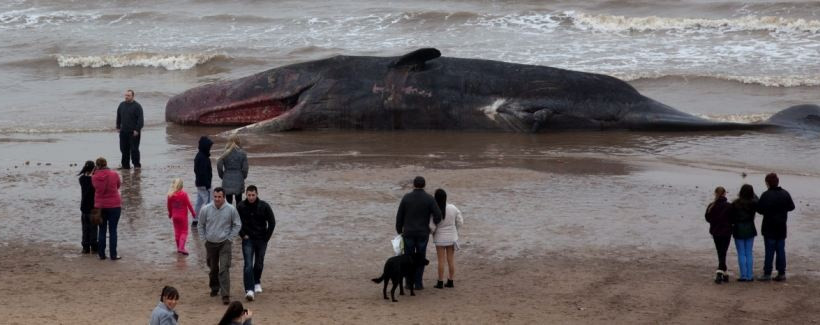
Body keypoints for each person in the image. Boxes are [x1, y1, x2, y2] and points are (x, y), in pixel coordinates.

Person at [395, 176, 442, 290]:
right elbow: (438, 215)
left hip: (409, 233)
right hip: (422, 233)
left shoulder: (406, 198)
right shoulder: (429, 198)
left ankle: (408, 282)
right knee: (421, 258)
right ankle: (418, 283)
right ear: (424, 185)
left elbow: (399, 216)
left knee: (408, 258)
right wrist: (432, 226)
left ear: (413, 185)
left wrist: (399, 230)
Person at [198, 187, 242, 304]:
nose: (217, 199)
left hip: (224, 243)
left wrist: (230, 238)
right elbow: (200, 225)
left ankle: (225, 294)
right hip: (210, 243)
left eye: (219, 197)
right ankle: (214, 287)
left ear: (224, 197)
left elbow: (237, 225)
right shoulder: (206, 209)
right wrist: (204, 240)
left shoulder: (231, 209)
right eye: (215, 196)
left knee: (224, 269)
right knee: (213, 269)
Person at [237, 185, 276, 301]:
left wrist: (266, 237)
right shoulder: (240, 206)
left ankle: (257, 281)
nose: (251, 197)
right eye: (249, 195)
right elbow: (235, 222)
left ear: (257, 194)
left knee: (259, 263)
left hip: (261, 239)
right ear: (246, 195)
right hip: (247, 239)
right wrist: (243, 235)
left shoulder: (264, 206)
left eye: (253, 195)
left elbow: (272, 222)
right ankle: (249, 290)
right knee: (248, 264)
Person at [757, 173, 795, 282]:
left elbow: (759, 210)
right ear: (777, 182)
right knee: (780, 250)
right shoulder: (785, 193)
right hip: (781, 226)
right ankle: (781, 273)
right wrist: (782, 209)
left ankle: (767, 273)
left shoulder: (766, 195)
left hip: (769, 227)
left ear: (767, 183)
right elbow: (791, 207)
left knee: (769, 250)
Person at [429, 188, 463, 289]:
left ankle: (440, 282)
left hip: (439, 238)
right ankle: (450, 280)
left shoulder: (434, 210)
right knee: (450, 260)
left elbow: (431, 226)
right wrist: (456, 230)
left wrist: (432, 233)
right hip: (452, 237)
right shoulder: (453, 208)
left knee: (441, 261)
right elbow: (460, 221)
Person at [92, 157, 122, 260]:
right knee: (113, 230)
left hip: (100, 206)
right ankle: (113, 255)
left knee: (102, 230)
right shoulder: (114, 174)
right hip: (114, 205)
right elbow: (118, 185)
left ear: (97, 165)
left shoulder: (94, 177)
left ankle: (101, 254)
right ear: (106, 164)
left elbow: (95, 188)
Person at [705, 186, 732, 284]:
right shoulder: (729, 206)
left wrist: (714, 222)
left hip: (716, 232)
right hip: (726, 232)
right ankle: (720, 273)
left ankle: (724, 273)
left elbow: (707, 218)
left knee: (720, 252)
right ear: (724, 194)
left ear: (715, 194)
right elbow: (733, 219)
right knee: (723, 252)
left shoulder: (711, 205)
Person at [731, 184, 758, 282]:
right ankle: (750, 275)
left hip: (738, 228)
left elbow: (731, 217)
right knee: (749, 252)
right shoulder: (754, 203)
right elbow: (758, 202)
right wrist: (754, 195)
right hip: (750, 227)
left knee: (741, 252)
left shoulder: (735, 203)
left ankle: (743, 275)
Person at [115, 89, 144, 169]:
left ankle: (137, 165)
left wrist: (137, 130)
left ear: (132, 96)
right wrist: (118, 126)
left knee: (134, 149)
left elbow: (140, 120)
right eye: (126, 95)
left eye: (128, 96)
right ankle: (125, 166)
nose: (126, 97)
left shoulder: (137, 106)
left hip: (133, 132)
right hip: (123, 131)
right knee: (123, 149)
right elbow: (118, 116)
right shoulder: (121, 105)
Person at [167, 178, 196, 255]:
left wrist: (170, 214)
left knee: (177, 232)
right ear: (181, 186)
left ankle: (178, 248)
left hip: (174, 216)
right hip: (183, 217)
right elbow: (189, 205)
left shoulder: (170, 195)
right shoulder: (184, 194)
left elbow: (169, 206)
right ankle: (181, 248)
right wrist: (193, 213)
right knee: (184, 232)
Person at [217, 134, 249, 205]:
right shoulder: (242, 153)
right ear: (238, 142)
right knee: (239, 201)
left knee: (228, 202)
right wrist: (242, 176)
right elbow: (245, 169)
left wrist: (222, 176)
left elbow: (219, 165)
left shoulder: (224, 153)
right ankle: (238, 215)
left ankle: (229, 215)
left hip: (227, 178)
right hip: (239, 178)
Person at [193, 136, 214, 226]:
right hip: (205, 184)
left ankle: (195, 219)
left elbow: (196, 170)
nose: (210, 148)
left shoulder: (199, 156)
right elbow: (203, 173)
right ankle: (206, 221)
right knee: (209, 203)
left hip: (199, 183)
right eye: (209, 147)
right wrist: (208, 185)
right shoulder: (204, 158)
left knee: (199, 202)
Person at [78, 160, 98, 254]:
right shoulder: (94, 179)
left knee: (85, 228)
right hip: (93, 207)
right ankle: (94, 247)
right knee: (93, 228)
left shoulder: (81, 179)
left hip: (84, 206)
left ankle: (85, 247)